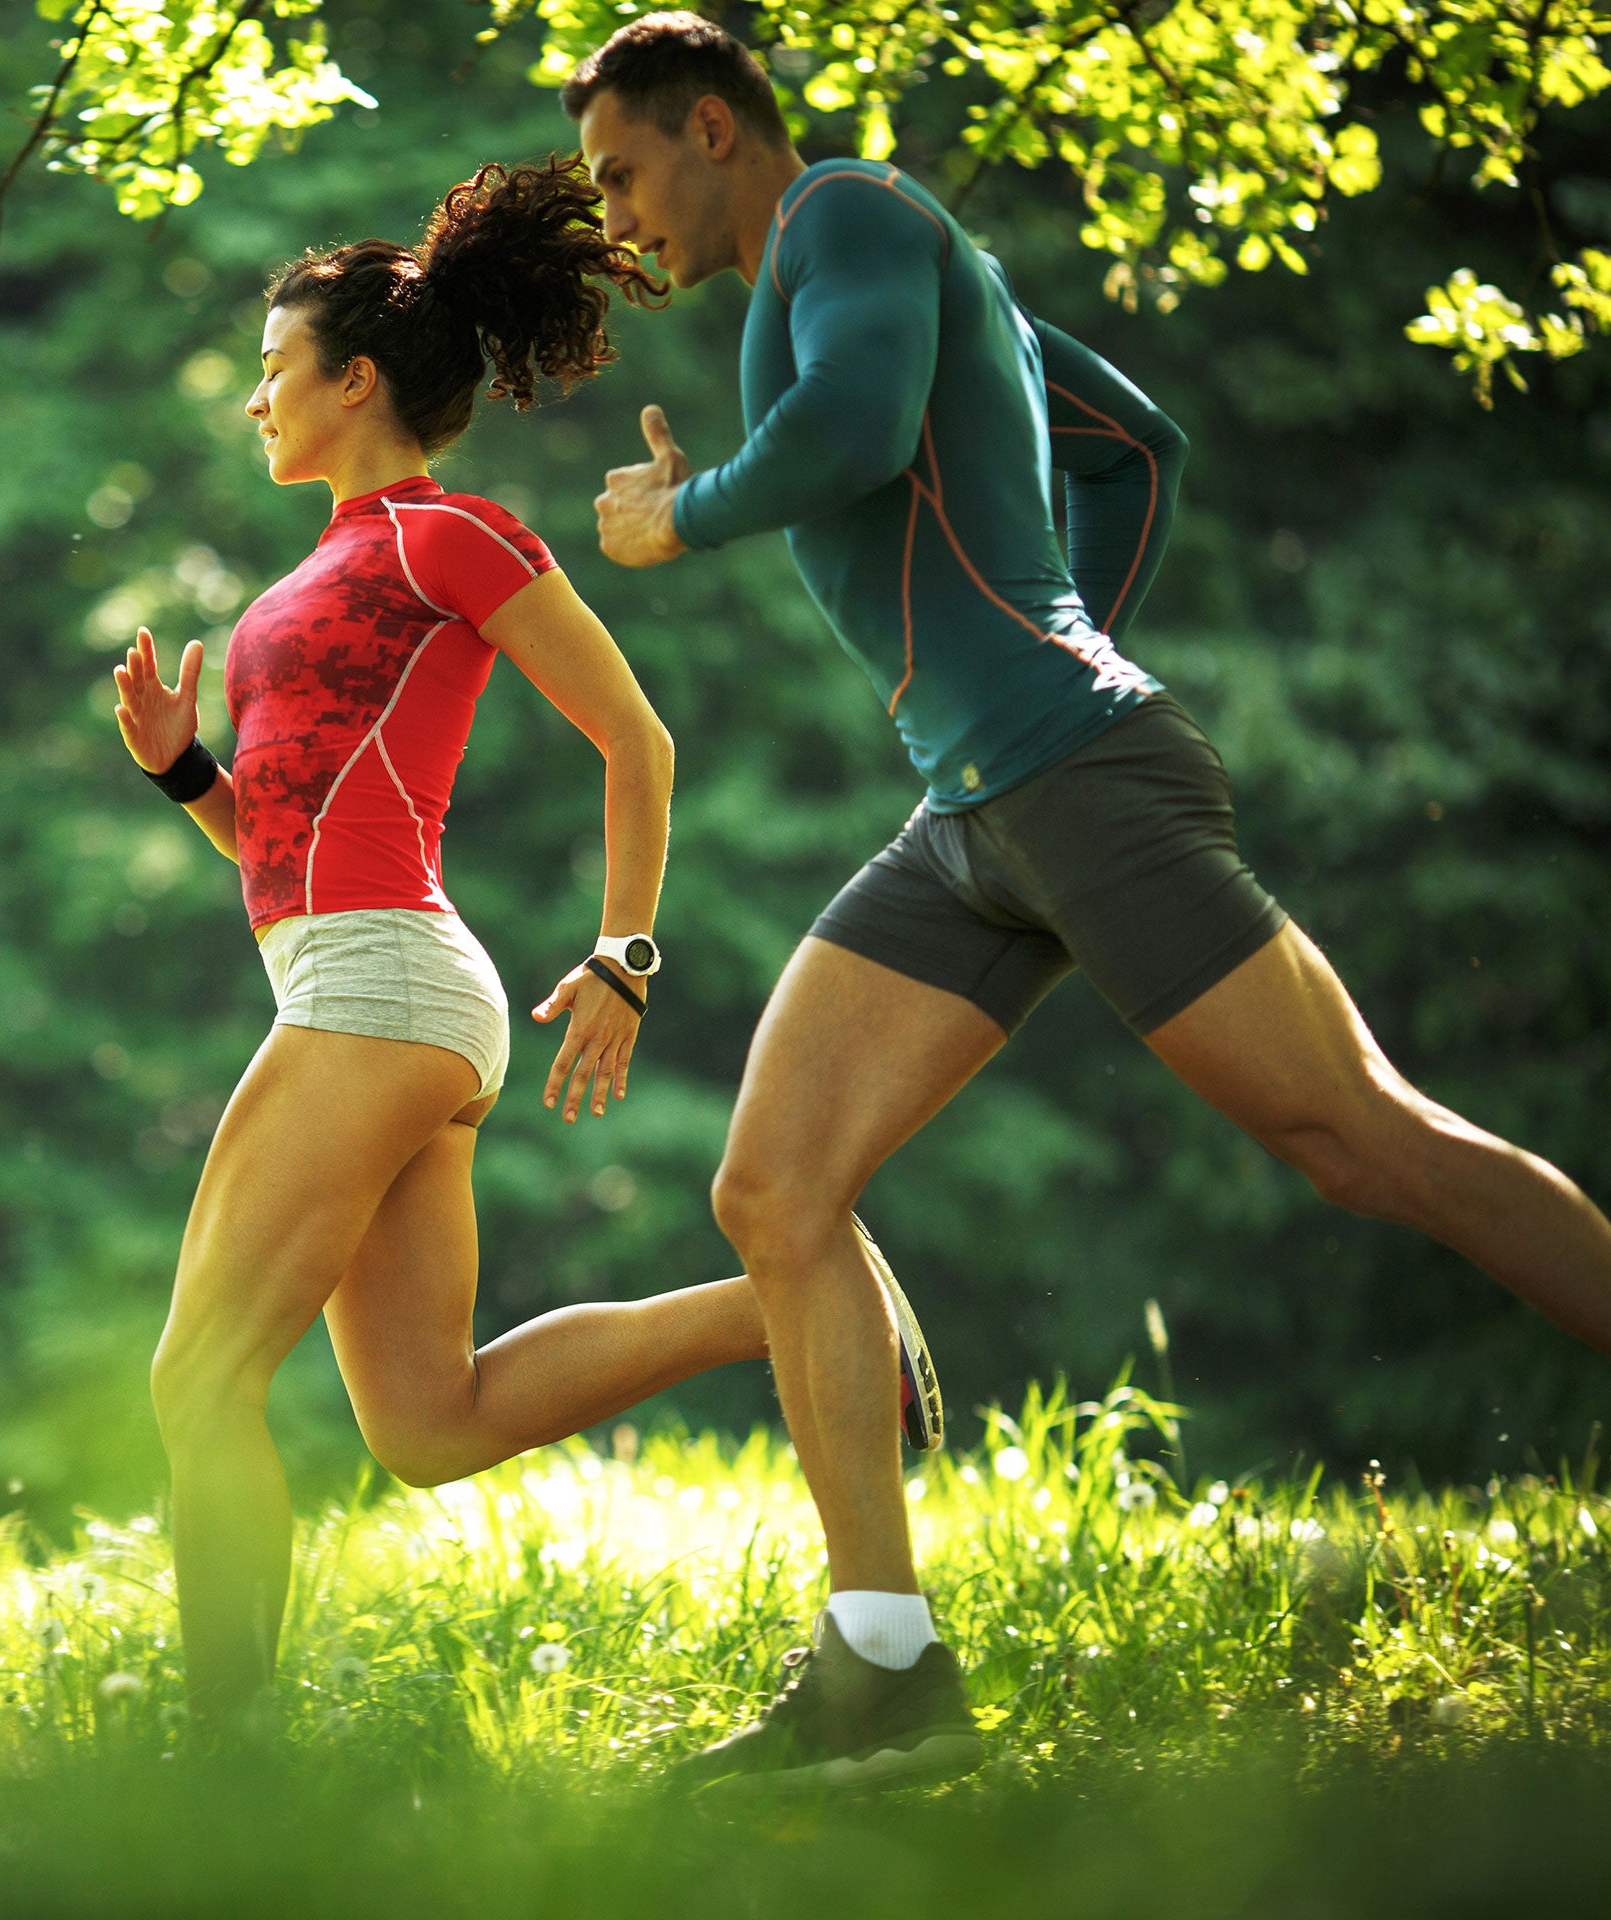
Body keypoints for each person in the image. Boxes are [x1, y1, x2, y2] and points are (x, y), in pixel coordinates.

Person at [565, 12, 1611, 1790]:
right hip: (977, 806)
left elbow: (854, 427)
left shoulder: (847, 222)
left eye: (623, 172)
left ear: (716, 128)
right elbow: (1142, 444)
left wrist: (686, 515)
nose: (615, 215)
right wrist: (1062, 627)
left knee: (1362, 1140)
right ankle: (882, 1670)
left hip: (1071, 773)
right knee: (773, 1183)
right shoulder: (862, 257)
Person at [113, 157, 946, 1738]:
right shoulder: (330, 561)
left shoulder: (452, 536)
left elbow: (639, 743)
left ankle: (212, 1757)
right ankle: (802, 1301)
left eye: (274, 373)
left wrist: (625, 957)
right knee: (430, 1423)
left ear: (356, 381)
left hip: (383, 986)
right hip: (362, 977)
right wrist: (180, 771)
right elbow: (281, 851)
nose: (255, 405)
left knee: (195, 1378)